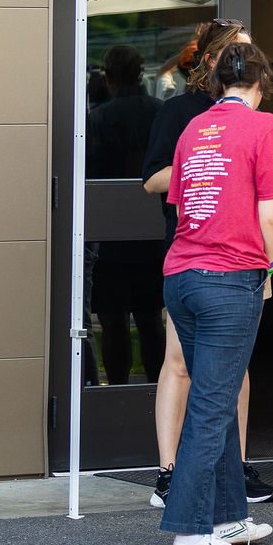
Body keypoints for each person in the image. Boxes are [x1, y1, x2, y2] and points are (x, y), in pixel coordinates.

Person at [158, 41, 273, 545]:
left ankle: (227, 518)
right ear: (262, 82)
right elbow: (272, 214)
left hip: (182, 275)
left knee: (216, 394)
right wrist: (268, 268)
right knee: (213, 407)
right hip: (230, 277)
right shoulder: (265, 127)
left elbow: (180, 204)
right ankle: (191, 534)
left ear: (218, 82)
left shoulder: (194, 127)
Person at [141, 20, 273, 506]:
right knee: (180, 362)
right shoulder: (183, 113)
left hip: (243, 254)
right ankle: (168, 471)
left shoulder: (257, 117)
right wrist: (208, 162)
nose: (247, 60)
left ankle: (234, 469)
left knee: (235, 367)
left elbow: (267, 197)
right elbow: (153, 179)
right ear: (215, 59)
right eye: (239, 51)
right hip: (195, 247)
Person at [89, 44, 165, 385]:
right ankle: (157, 393)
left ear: (110, 77)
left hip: (110, 233)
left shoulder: (99, 118)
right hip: (153, 229)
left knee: (113, 323)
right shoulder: (160, 112)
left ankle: (116, 391)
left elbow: (90, 173)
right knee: (151, 321)